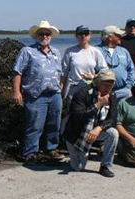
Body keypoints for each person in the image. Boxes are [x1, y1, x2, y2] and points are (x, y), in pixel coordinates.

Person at [13, 20, 65, 164]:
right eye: (41, 34)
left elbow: (61, 73)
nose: (44, 36)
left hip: (54, 94)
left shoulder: (56, 52)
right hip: (35, 95)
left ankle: (51, 149)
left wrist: (61, 88)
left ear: (51, 36)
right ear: (36, 35)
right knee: (34, 125)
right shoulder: (27, 51)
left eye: (47, 34)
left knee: (55, 123)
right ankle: (30, 153)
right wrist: (16, 92)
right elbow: (17, 72)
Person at [63, 70, 119, 177]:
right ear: (97, 82)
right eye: (105, 84)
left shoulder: (112, 96)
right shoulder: (82, 94)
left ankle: (105, 166)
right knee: (78, 168)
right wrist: (98, 104)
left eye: (111, 85)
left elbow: (113, 118)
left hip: (96, 131)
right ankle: (79, 152)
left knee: (113, 133)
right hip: (77, 133)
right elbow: (78, 117)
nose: (108, 87)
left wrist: (99, 128)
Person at [61, 25, 108, 106]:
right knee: (73, 114)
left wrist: (93, 76)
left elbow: (104, 70)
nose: (83, 36)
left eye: (86, 34)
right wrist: (61, 91)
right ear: (76, 36)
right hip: (73, 88)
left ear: (89, 36)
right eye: (80, 34)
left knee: (89, 112)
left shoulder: (96, 51)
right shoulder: (69, 51)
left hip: (90, 87)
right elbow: (64, 73)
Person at [97, 25, 135, 103]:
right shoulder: (96, 51)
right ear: (110, 37)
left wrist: (128, 86)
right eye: (118, 35)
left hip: (123, 92)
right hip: (103, 94)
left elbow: (131, 70)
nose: (120, 37)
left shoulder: (124, 51)